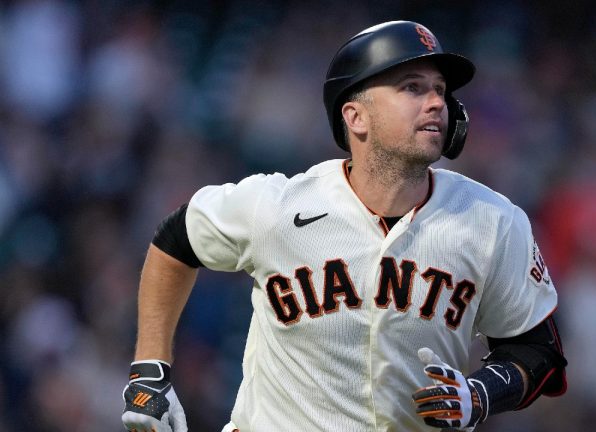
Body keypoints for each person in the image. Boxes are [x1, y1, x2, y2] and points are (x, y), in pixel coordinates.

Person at [121, 20, 567, 432]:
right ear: (356, 117)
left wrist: (480, 392)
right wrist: (150, 370)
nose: (436, 102)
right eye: (412, 87)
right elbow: (176, 240)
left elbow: (539, 351)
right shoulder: (277, 205)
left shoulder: (492, 220)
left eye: (440, 90)